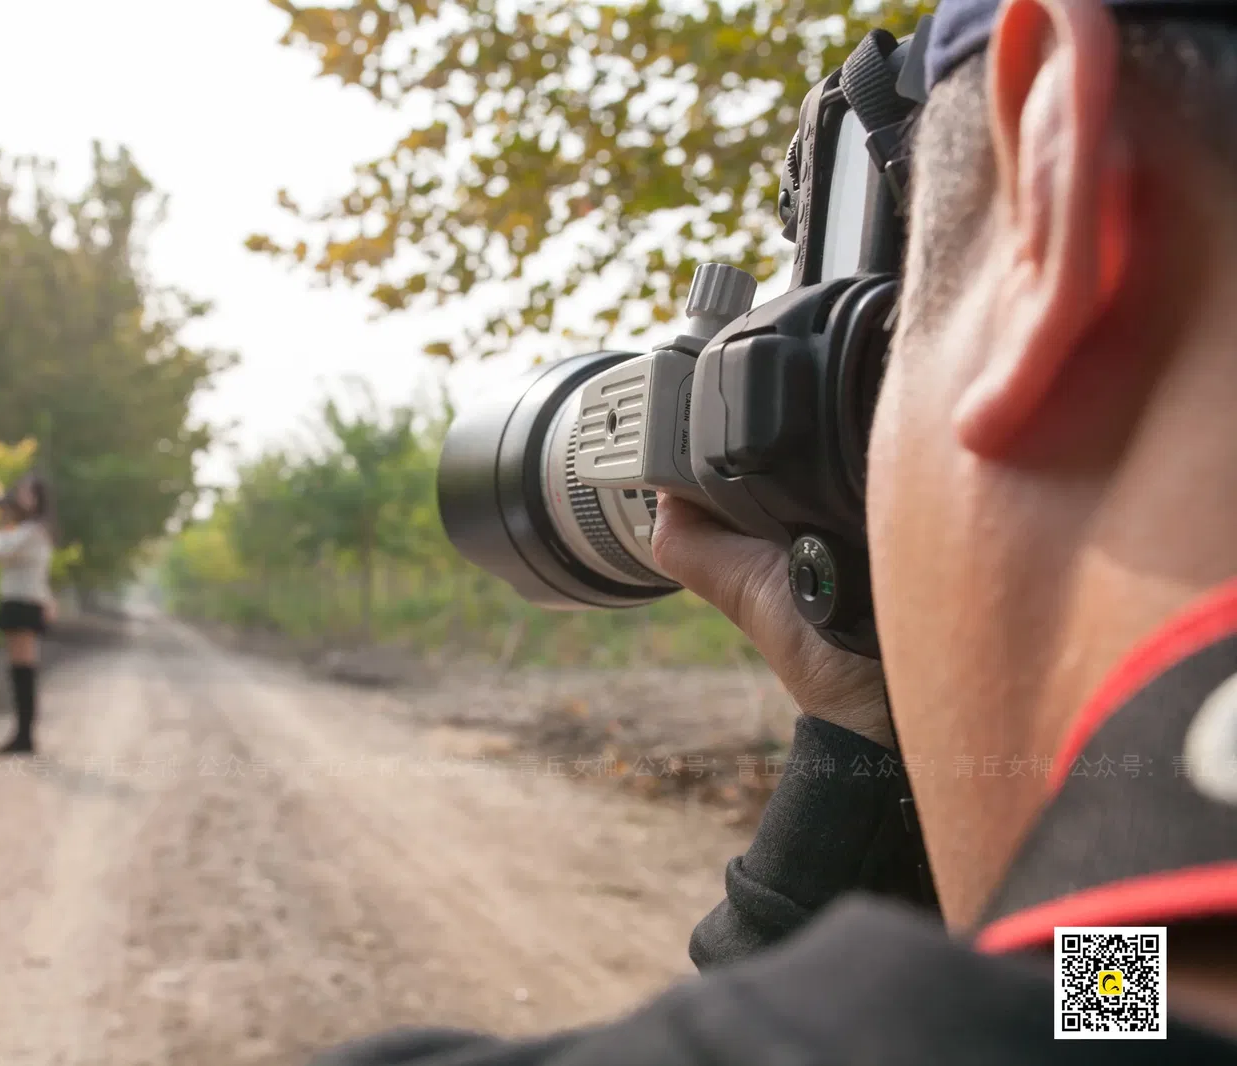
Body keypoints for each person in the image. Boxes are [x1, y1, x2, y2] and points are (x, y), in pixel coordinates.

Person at [312, 0, 1237, 1061]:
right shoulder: (1130, 959)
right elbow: (1106, 1000)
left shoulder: (1123, 977)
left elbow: (1089, 1014)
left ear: (1057, 182)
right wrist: (867, 731)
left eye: (899, 319)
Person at [0, 474, 56, 756]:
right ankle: (23, 733)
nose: (19, 498)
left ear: (37, 499)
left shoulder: (31, 531)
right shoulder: (30, 530)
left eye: (26, 493)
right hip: (22, 600)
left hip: (23, 603)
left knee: (23, 669)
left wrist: (0, 523)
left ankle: (24, 735)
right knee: (20, 669)